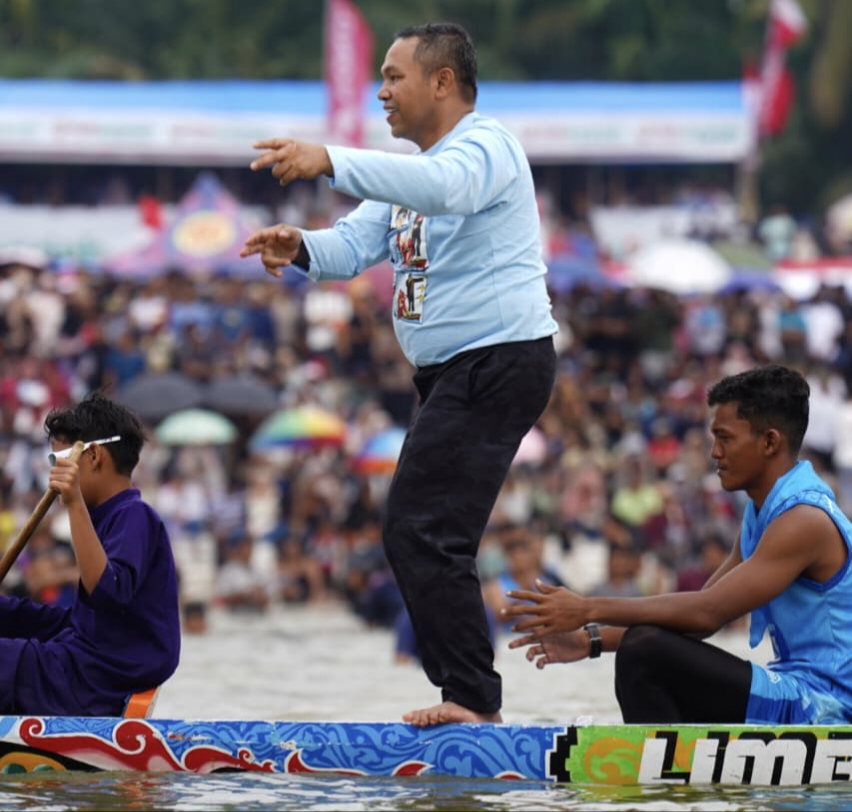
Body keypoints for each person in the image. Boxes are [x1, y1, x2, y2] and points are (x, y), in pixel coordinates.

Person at [240, 22, 558, 726]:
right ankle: (468, 695)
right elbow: (353, 246)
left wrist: (328, 158)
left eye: (393, 76)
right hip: (452, 375)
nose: (380, 91)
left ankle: (472, 701)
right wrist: (299, 248)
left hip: (499, 360)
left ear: (442, 82)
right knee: (419, 532)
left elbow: (444, 188)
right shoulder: (408, 175)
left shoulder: (485, 148)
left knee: (419, 529)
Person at [502, 365, 852, 725]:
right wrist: (590, 641)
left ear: (770, 442)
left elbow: (706, 611)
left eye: (725, 438)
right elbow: (699, 623)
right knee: (644, 643)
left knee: (646, 651)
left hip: (829, 707)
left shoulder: (803, 520)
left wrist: (588, 608)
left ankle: (660, 768)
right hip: (797, 692)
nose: (714, 452)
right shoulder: (762, 512)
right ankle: (668, 767)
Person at [0, 391, 181, 715]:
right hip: (83, 664)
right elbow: (79, 622)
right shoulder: (105, 520)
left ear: (94, 456)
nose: (52, 473)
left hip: (96, 681)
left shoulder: (135, 516)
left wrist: (74, 503)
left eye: (58, 460)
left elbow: (107, 592)